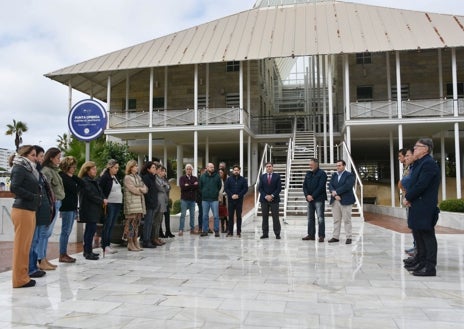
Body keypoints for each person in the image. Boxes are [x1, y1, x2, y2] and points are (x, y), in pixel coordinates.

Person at [403, 138, 440, 277]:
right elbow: (413, 183)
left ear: (426, 149)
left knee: (427, 236)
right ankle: (421, 261)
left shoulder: (429, 164)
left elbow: (422, 185)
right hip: (417, 204)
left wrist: (408, 198)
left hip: (425, 206)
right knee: (418, 235)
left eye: (417, 147)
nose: (414, 149)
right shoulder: (420, 163)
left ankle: (430, 267)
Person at [9, 145, 40, 288]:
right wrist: (33, 197)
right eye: (33, 155)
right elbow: (14, 187)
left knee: (25, 246)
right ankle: (19, 280)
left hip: (29, 209)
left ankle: (23, 276)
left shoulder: (29, 168)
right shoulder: (19, 168)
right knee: (21, 247)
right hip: (22, 210)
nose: (35, 158)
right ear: (25, 155)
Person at [28, 145, 55, 279]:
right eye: (39, 156)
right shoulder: (32, 172)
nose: (41, 159)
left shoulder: (39, 172)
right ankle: (31, 268)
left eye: (41, 156)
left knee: (38, 238)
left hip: (43, 210)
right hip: (37, 210)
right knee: (34, 241)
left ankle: (35, 266)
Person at [39, 147, 64, 270]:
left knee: (47, 233)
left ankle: (43, 258)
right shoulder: (47, 171)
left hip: (56, 203)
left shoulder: (54, 170)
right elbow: (46, 189)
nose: (60, 160)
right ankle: (40, 259)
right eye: (58, 157)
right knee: (45, 232)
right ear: (51, 158)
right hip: (51, 204)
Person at [78, 161, 107, 260]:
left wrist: (103, 199)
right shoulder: (85, 181)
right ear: (87, 170)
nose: (95, 171)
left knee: (91, 230)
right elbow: (90, 195)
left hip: (94, 209)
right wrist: (101, 200)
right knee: (90, 231)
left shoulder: (92, 180)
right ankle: (87, 252)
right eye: (93, 169)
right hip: (88, 209)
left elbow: (99, 192)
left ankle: (89, 250)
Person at [58, 156, 82, 263]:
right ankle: (62, 254)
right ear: (67, 167)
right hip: (66, 207)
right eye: (72, 167)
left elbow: (82, 183)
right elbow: (74, 189)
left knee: (67, 231)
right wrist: (73, 179)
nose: (74, 169)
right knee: (65, 231)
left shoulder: (71, 177)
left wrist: (74, 177)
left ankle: (64, 253)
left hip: (72, 207)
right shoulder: (62, 177)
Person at [328, 160, 356, 244]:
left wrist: (336, 192)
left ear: (344, 166)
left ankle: (349, 237)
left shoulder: (349, 175)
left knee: (347, 220)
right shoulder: (334, 175)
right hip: (335, 200)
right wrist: (334, 193)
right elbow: (330, 185)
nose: (338, 167)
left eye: (339, 165)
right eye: (337, 166)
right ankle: (335, 237)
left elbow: (347, 186)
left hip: (346, 200)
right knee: (336, 220)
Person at [98, 159, 122, 255]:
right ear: (110, 167)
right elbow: (100, 189)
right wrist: (103, 198)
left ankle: (108, 244)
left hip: (117, 203)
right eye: (115, 168)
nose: (117, 169)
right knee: (107, 225)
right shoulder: (105, 177)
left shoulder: (115, 177)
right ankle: (105, 245)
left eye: (118, 168)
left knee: (112, 225)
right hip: (110, 203)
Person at [123, 160, 148, 251]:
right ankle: (130, 242)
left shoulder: (138, 177)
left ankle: (135, 241)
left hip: (139, 204)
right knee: (130, 225)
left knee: (136, 224)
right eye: (135, 166)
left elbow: (145, 189)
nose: (137, 167)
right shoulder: (127, 178)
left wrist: (140, 189)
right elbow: (133, 189)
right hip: (132, 204)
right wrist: (140, 189)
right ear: (131, 167)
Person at [302, 158, 328, 242]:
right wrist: (307, 196)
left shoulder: (322, 174)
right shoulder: (308, 174)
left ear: (316, 164)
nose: (310, 166)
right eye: (309, 164)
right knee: (310, 218)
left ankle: (321, 236)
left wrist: (312, 196)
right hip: (309, 200)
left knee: (320, 218)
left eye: (311, 164)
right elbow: (304, 186)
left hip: (319, 199)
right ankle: (311, 235)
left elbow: (321, 187)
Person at [258, 162, 282, 239]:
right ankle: (265, 233)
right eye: (267, 166)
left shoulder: (277, 176)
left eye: (270, 166)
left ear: (272, 167)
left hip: (274, 200)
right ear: (265, 168)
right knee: (264, 217)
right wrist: (266, 196)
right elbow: (260, 188)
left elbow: (279, 188)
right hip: (264, 200)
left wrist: (272, 196)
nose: (268, 168)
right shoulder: (262, 177)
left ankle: (277, 233)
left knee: (276, 217)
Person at [224, 164, 248, 237]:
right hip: (231, 201)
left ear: (239, 171)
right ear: (233, 171)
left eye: (237, 170)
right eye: (235, 170)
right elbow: (226, 188)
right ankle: (230, 232)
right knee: (230, 217)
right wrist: (232, 195)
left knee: (239, 217)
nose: (236, 171)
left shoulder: (243, 179)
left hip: (239, 201)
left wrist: (238, 195)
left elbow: (245, 189)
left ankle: (238, 232)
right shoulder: (229, 179)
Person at [199, 162, 222, 237]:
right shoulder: (202, 177)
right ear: (207, 168)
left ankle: (216, 231)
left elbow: (219, 186)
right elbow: (200, 187)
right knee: (205, 216)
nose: (212, 168)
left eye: (213, 167)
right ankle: (205, 231)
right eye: (210, 167)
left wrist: (215, 193)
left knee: (216, 216)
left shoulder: (217, 176)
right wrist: (204, 192)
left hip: (214, 199)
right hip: (205, 199)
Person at [140, 161, 158, 248]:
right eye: (153, 167)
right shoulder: (146, 178)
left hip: (153, 203)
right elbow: (146, 192)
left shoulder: (153, 177)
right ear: (148, 169)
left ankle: (149, 239)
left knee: (150, 222)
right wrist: (150, 201)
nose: (155, 169)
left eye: (155, 167)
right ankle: (145, 241)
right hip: (148, 204)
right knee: (147, 222)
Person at [178, 163, 199, 235]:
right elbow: (183, 187)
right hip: (184, 199)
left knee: (192, 215)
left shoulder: (195, 178)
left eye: (190, 169)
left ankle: (192, 229)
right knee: (183, 215)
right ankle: (181, 229)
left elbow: (197, 187)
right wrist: (192, 185)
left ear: (192, 170)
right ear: (185, 170)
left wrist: (188, 185)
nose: (189, 170)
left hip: (192, 199)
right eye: (187, 169)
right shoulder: (182, 178)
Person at [160, 167, 174, 238]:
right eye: (163, 171)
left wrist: (166, 186)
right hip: (161, 201)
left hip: (166, 201)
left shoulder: (166, 179)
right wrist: (166, 186)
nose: (164, 173)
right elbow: (162, 188)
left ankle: (168, 231)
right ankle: (160, 232)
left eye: (165, 171)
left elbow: (169, 187)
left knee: (167, 217)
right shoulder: (159, 179)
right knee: (160, 218)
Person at [218, 168, 228, 233]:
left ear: (224, 173)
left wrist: (225, 193)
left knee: (227, 214)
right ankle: (222, 228)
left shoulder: (227, 180)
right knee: (221, 214)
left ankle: (227, 228)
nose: (220, 174)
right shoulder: (218, 180)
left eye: (221, 172)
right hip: (220, 199)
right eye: (219, 173)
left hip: (226, 199)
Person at [196, 167, 206, 233]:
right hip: (200, 199)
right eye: (204, 172)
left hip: (207, 199)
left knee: (206, 214)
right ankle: (200, 228)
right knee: (201, 214)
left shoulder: (207, 178)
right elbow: (199, 189)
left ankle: (206, 228)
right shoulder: (198, 180)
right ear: (201, 172)